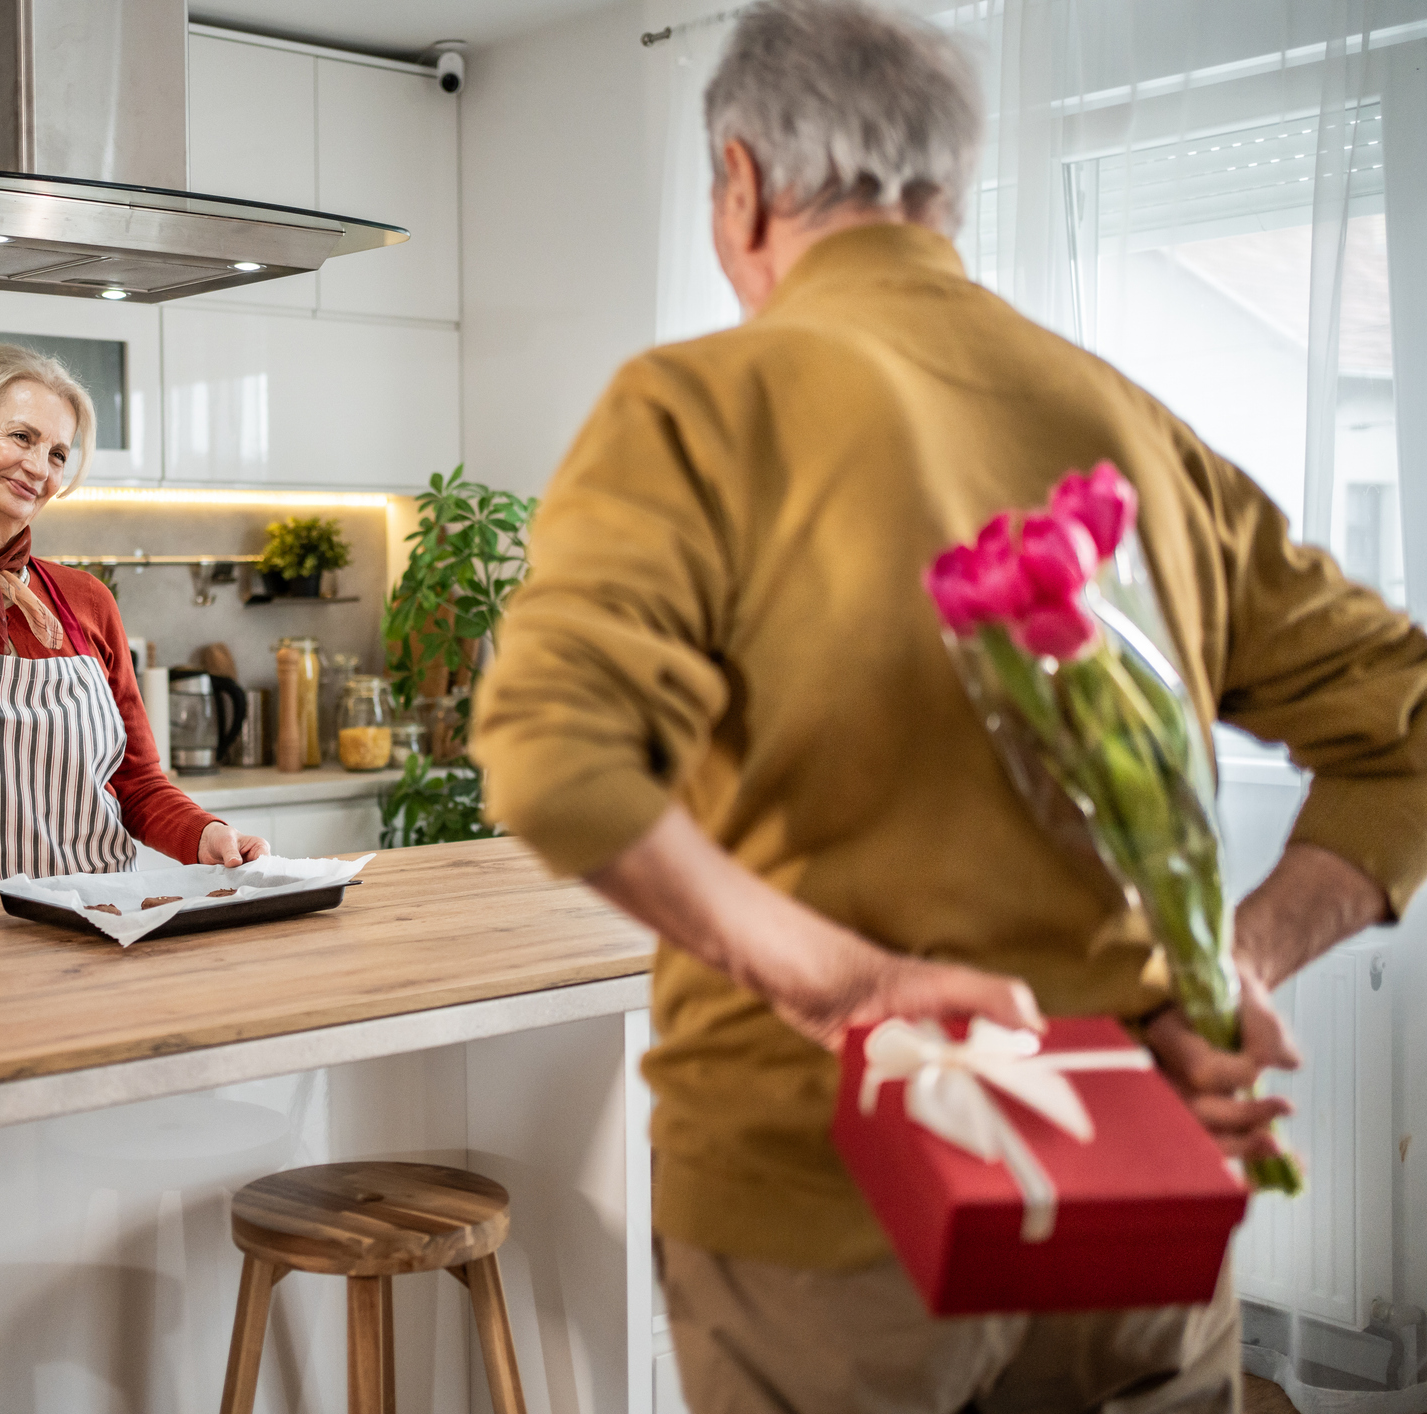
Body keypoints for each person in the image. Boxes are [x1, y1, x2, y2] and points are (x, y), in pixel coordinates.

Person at [470, 1, 1427, 1409]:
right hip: (1125, 1191)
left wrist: (845, 981)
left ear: (740, 185)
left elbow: (554, 759)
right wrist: (1237, 967)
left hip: (825, 1209)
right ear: (946, 191)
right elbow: (1403, 720)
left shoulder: (700, 406)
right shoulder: (1126, 425)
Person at [0, 343, 267, 919]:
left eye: (59, 453)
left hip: (101, 931)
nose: (40, 468)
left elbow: (137, 786)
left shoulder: (89, 602)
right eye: (22, 437)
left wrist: (206, 835)